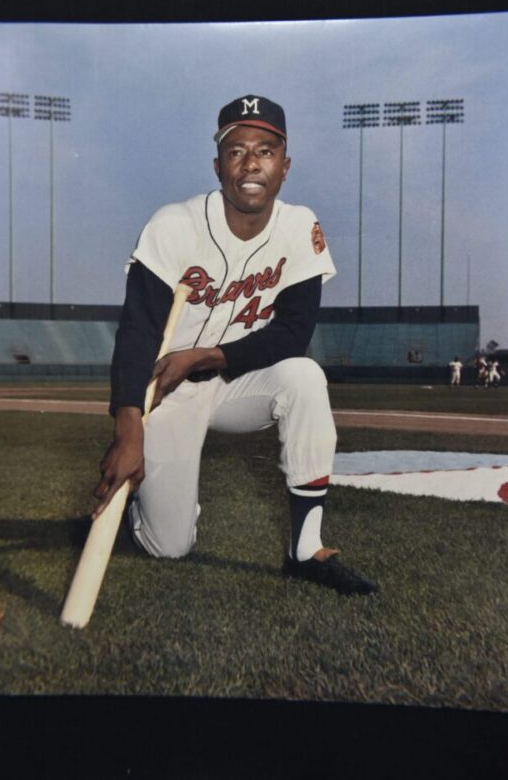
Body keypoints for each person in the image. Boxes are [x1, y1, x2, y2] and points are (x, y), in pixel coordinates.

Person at [94, 95, 377, 596]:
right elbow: (136, 331)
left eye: (265, 151)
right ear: (218, 164)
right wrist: (128, 427)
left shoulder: (297, 227)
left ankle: (306, 549)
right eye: (236, 150)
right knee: (169, 545)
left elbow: (294, 333)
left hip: (234, 380)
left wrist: (210, 357)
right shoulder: (173, 224)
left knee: (305, 377)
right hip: (167, 389)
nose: (251, 164)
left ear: (284, 166)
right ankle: (143, 509)